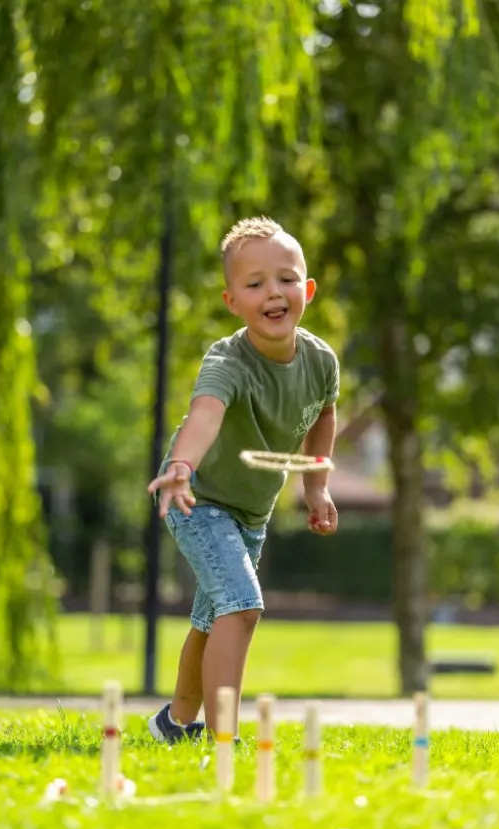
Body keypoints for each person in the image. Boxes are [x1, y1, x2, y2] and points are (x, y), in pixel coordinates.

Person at [146, 216, 340, 744]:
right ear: (232, 300)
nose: (273, 293)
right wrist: (180, 467)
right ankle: (222, 740)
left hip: (251, 513)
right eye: (254, 284)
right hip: (198, 500)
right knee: (242, 605)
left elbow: (324, 415)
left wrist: (316, 484)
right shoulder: (227, 361)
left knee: (212, 621)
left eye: (286, 279)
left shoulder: (321, 360)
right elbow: (205, 414)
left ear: (308, 289)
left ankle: (174, 724)